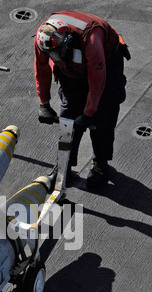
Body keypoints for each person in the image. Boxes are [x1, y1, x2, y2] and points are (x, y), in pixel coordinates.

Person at [34, 11, 130, 187]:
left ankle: (100, 163)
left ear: (67, 41)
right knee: (68, 117)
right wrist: (44, 103)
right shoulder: (44, 40)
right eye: (51, 54)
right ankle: (64, 164)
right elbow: (42, 69)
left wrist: (88, 113)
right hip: (71, 68)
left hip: (105, 65)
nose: (54, 57)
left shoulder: (92, 41)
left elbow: (97, 81)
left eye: (57, 53)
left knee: (102, 116)